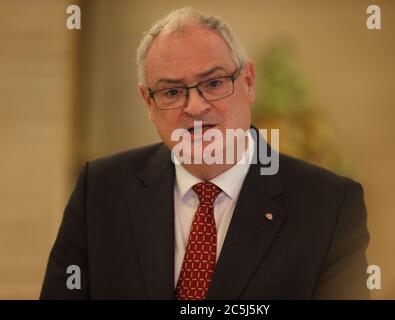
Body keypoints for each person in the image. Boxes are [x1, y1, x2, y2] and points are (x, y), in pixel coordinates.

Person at [40, 7, 370, 300]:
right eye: (171, 91)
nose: (195, 107)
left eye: (213, 84)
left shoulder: (329, 205)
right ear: (148, 103)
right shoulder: (100, 190)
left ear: (249, 82)